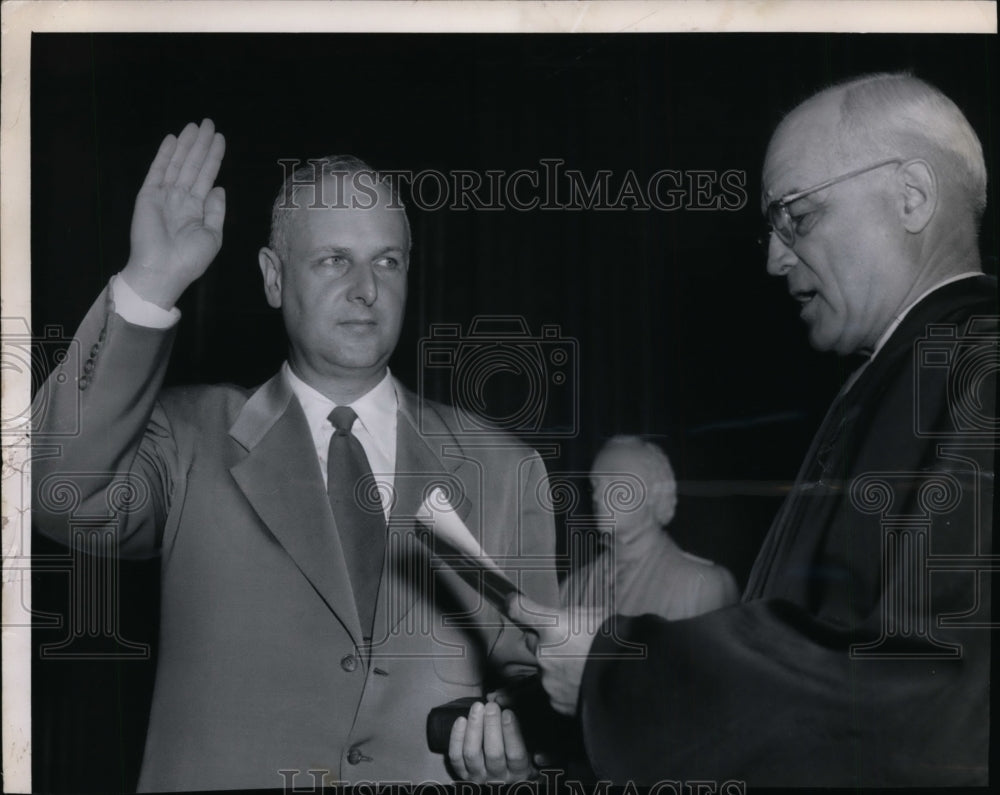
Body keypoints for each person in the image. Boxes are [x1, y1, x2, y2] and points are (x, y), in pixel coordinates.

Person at [502, 73, 997, 786]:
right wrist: (571, 724)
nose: (774, 258)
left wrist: (614, 682)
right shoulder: (913, 373)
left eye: (797, 216)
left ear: (911, 195)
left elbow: (932, 701)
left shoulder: (975, 368)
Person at [32, 120, 557, 790]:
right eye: (335, 259)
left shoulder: (508, 470)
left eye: (387, 261)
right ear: (274, 278)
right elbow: (58, 493)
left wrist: (519, 744)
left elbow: (542, 685)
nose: (366, 289)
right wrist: (149, 281)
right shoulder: (185, 438)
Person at [564, 435, 738, 620]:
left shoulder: (703, 586)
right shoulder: (570, 589)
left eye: (614, 482)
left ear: (654, 492)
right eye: (595, 485)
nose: (597, 496)